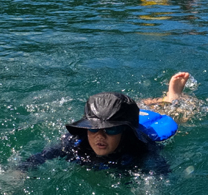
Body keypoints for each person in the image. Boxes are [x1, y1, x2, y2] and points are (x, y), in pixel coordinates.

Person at [23, 73, 194, 174]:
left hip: (147, 125)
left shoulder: (142, 148)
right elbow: (40, 157)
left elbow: (160, 173)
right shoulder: (74, 142)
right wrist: (19, 172)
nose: (100, 136)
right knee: (136, 108)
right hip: (126, 117)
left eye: (110, 130)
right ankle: (153, 102)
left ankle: (173, 97)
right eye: (93, 129)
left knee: (179, 117)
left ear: (125, 132)